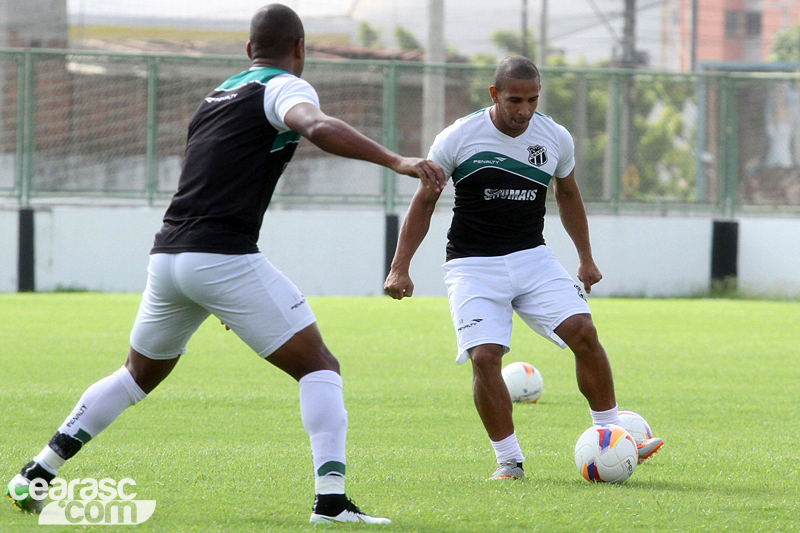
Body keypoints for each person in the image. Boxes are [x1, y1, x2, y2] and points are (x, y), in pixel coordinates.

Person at [6, 3, 444, 524]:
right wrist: (396, 160)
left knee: (135, 376)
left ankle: (37, 471)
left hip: (169, 256)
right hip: (220, 257)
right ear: (300, 48)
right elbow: (317, 125)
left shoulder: (216, 96)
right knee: (320, 367)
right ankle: (330, 503)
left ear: (247, 50)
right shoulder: (283, 87)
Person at [383, 56, 662, 480]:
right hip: (472, 264)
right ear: (494, 95)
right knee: (485, 357)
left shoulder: (554, 137)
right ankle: (509, 461)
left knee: (584, 333)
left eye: (533, 100)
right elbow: (424, 201)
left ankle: (613, 434)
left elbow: (568, 196)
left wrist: (586, 258)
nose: (524, 111)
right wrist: (400, 266)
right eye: (515, 100)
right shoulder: (458, 137)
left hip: (533, 257)